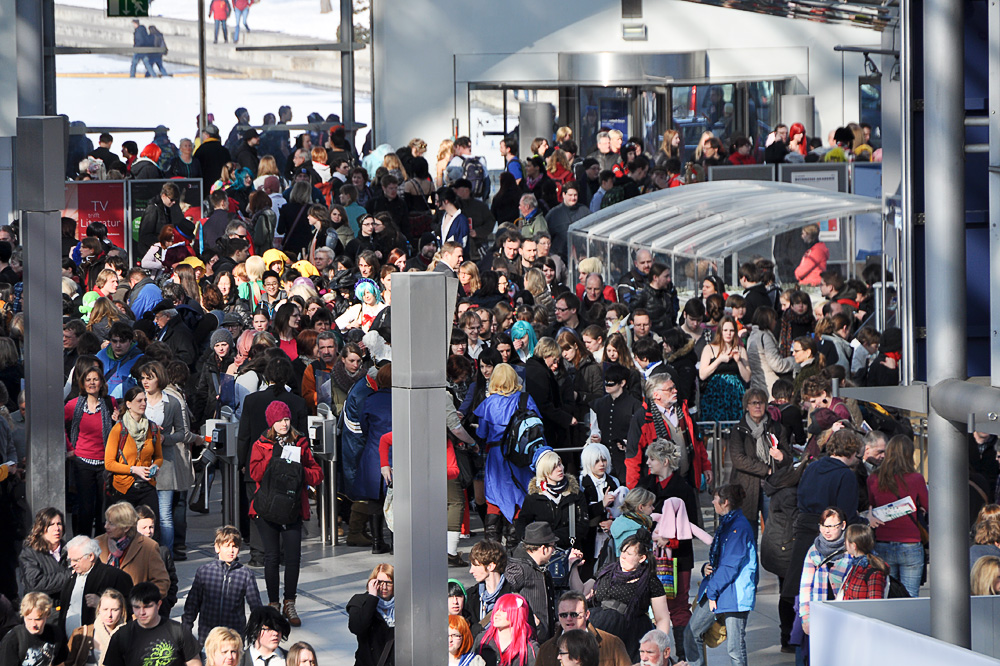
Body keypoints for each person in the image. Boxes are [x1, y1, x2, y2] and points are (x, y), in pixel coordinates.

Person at [248, 401, 324, 626]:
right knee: (271, 556)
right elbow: (254, 473)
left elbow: (317, 473)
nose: (284, 423)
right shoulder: (261, 444)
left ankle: (289, 602)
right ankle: (273, 604)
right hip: (267, 508)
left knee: (293, 557)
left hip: (292, 507)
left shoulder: (300, 442)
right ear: (271, 422)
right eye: (279, 420)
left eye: (287, 419)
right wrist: (274, 459)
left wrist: (299, 470)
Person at [684, 485, 757, 666]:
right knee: (692, 633)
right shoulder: (729, 523)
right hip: (720, 588)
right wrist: (707, 568)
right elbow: (722, 560)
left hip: (734, 594)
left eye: (715, 499)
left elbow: (730, 565)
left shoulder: (738, 527)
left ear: (725, 502)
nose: (712, 502)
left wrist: (712, 592)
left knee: (735, 648)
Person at [474, 364, 543, 543]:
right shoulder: (525, 399)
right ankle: (515, 546)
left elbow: (482, 433)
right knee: (519, 496)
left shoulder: (489, 403)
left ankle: (492, 548)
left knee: (494, 498)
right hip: (520, 456)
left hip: (496, 456)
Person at [588, 535, 670, 663]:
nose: (623, 556)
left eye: (629, 554)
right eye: (623, 551)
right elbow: (582, 590)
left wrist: (659, 645)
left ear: (642, 558)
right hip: (600, 626)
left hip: (631, 632)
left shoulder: (650, 580)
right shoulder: (607, 570)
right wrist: (573, 566)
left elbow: (662, 617)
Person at [867, 435, 928, 598]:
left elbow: (871, 504)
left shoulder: (874, 478)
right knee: (911, 596)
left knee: (887, 594)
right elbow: (928, 505)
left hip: (883, 541)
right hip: (910, 543)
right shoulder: (916, 479)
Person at [727, 389, 792, 538]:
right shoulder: (738, 430)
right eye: (753, 403)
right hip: (746, 487)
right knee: (748, 532)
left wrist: (781, 457)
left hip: (771, 486)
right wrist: (766, 469)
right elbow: (738, 459)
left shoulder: (777, 428)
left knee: (773, 531)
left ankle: (769, 554)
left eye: (761, 402)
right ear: (747, 406)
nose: (757, 406)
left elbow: (788, 457)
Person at [183, 525, 262, 644]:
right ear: (217, 547)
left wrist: (257, 632)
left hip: (234, 635)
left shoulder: (245, 574)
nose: (231, 550)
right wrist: (186, 630)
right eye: (227, 546)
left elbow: (255, 606)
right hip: (208, 635)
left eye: (235, 546)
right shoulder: (205, 571)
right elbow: (192, 603)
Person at [102, 582, 201, 666]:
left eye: (147, 607)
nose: (142, 612)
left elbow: (194, 663)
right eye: (137, 607)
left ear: (158, 605)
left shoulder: (178, 631)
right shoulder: (121, 636)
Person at [58, 535, 134, 641]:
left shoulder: (114, 576)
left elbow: (130, 607)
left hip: (100, 644)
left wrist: (102, 604)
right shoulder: (70, 579)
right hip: (69, 644)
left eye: (76, 560)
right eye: (70, 560)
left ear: (91, 556)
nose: (72, 564)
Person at [104, 386, 163, 513]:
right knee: (125, 523)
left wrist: (155, 466)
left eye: (145, 400)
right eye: (139, 401)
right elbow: (109, 463)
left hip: (147, 485)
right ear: (128, 404)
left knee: (151, 523)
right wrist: (134, 469)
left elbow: (158, 457)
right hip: (123, 487)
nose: (143, 404)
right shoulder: (119, 429)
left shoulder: (152, 428)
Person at [797, 507, 851, 645]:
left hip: (845, 612)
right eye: (823, 526)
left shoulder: (851, 549)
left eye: (832, 526)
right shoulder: (814, 550)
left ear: (843, 525)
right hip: (820, 611)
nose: (827, 531)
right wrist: (806, 617)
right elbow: (805, 586)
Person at [515, 450, 589, 551]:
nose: (560, 469)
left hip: (570, 550)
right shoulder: (534, 497)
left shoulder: (575, 494)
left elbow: (582, 526)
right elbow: (521, 523)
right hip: (542, 550)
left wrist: (553, 537)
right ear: (544, 472)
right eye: (554, 467)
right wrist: (532, 540)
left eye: (560, 464)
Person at [535, 591, 629, 666]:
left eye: (574, 614)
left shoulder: (612, 644)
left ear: (586, 615)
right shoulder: (546, 649)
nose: (569, 619)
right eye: (563, 615)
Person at [97, 502, 170, 598]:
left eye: (111, 523)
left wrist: (142, 601)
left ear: (126, 527)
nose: (106, 526)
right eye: (106, 521)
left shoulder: (148, 546)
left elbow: (162, 582)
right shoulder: (98, 543)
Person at [698, 315, 751, 423]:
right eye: (725, 330)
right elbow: (702, 375)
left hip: (735, 395)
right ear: (720, 331)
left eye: (731, 330)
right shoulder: (709, 348)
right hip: (715, 394)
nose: (728, 333)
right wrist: (719, 360)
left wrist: (738, 361)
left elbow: (747, 377)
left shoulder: (740, 350)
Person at [0, 592, 68, 666]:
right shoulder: (12, 640)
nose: (33, 624)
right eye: (29, 619)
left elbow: (61, 661)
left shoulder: (55, 633)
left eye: (38, 619)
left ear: (47, 615)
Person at [135, 505, 179, 618]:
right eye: (144, 527)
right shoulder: (130, 553)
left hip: (160, 611)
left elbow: (172, 580)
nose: (148, 531)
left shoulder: (163, 551)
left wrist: (168, 603)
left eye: (151, 527)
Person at [18, 507, 71, 600]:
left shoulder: (71, 550)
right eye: (51, 524)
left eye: (59, 524)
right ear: (41, 528)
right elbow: (35, 583)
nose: (56, 529)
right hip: (42, 606)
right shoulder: (29, 553)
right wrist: (71, 575)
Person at [348, 563, 395, 666]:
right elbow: (357, 628)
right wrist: (372, 598)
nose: (384, 587)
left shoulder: (404, 605)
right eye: (379, 582)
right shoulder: (359, 602)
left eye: (388, 583)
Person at [473, 593, 539, 666]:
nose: (497, 614)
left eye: (503, 610)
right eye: (496, 609)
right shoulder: (482, 640)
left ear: (516, 613)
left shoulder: (530, 649)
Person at [837, 524, 890, 599]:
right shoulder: (856, 565)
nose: (844, 543)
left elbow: (876, 602)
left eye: (846, 541)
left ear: (854, 545)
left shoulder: (874, 572)